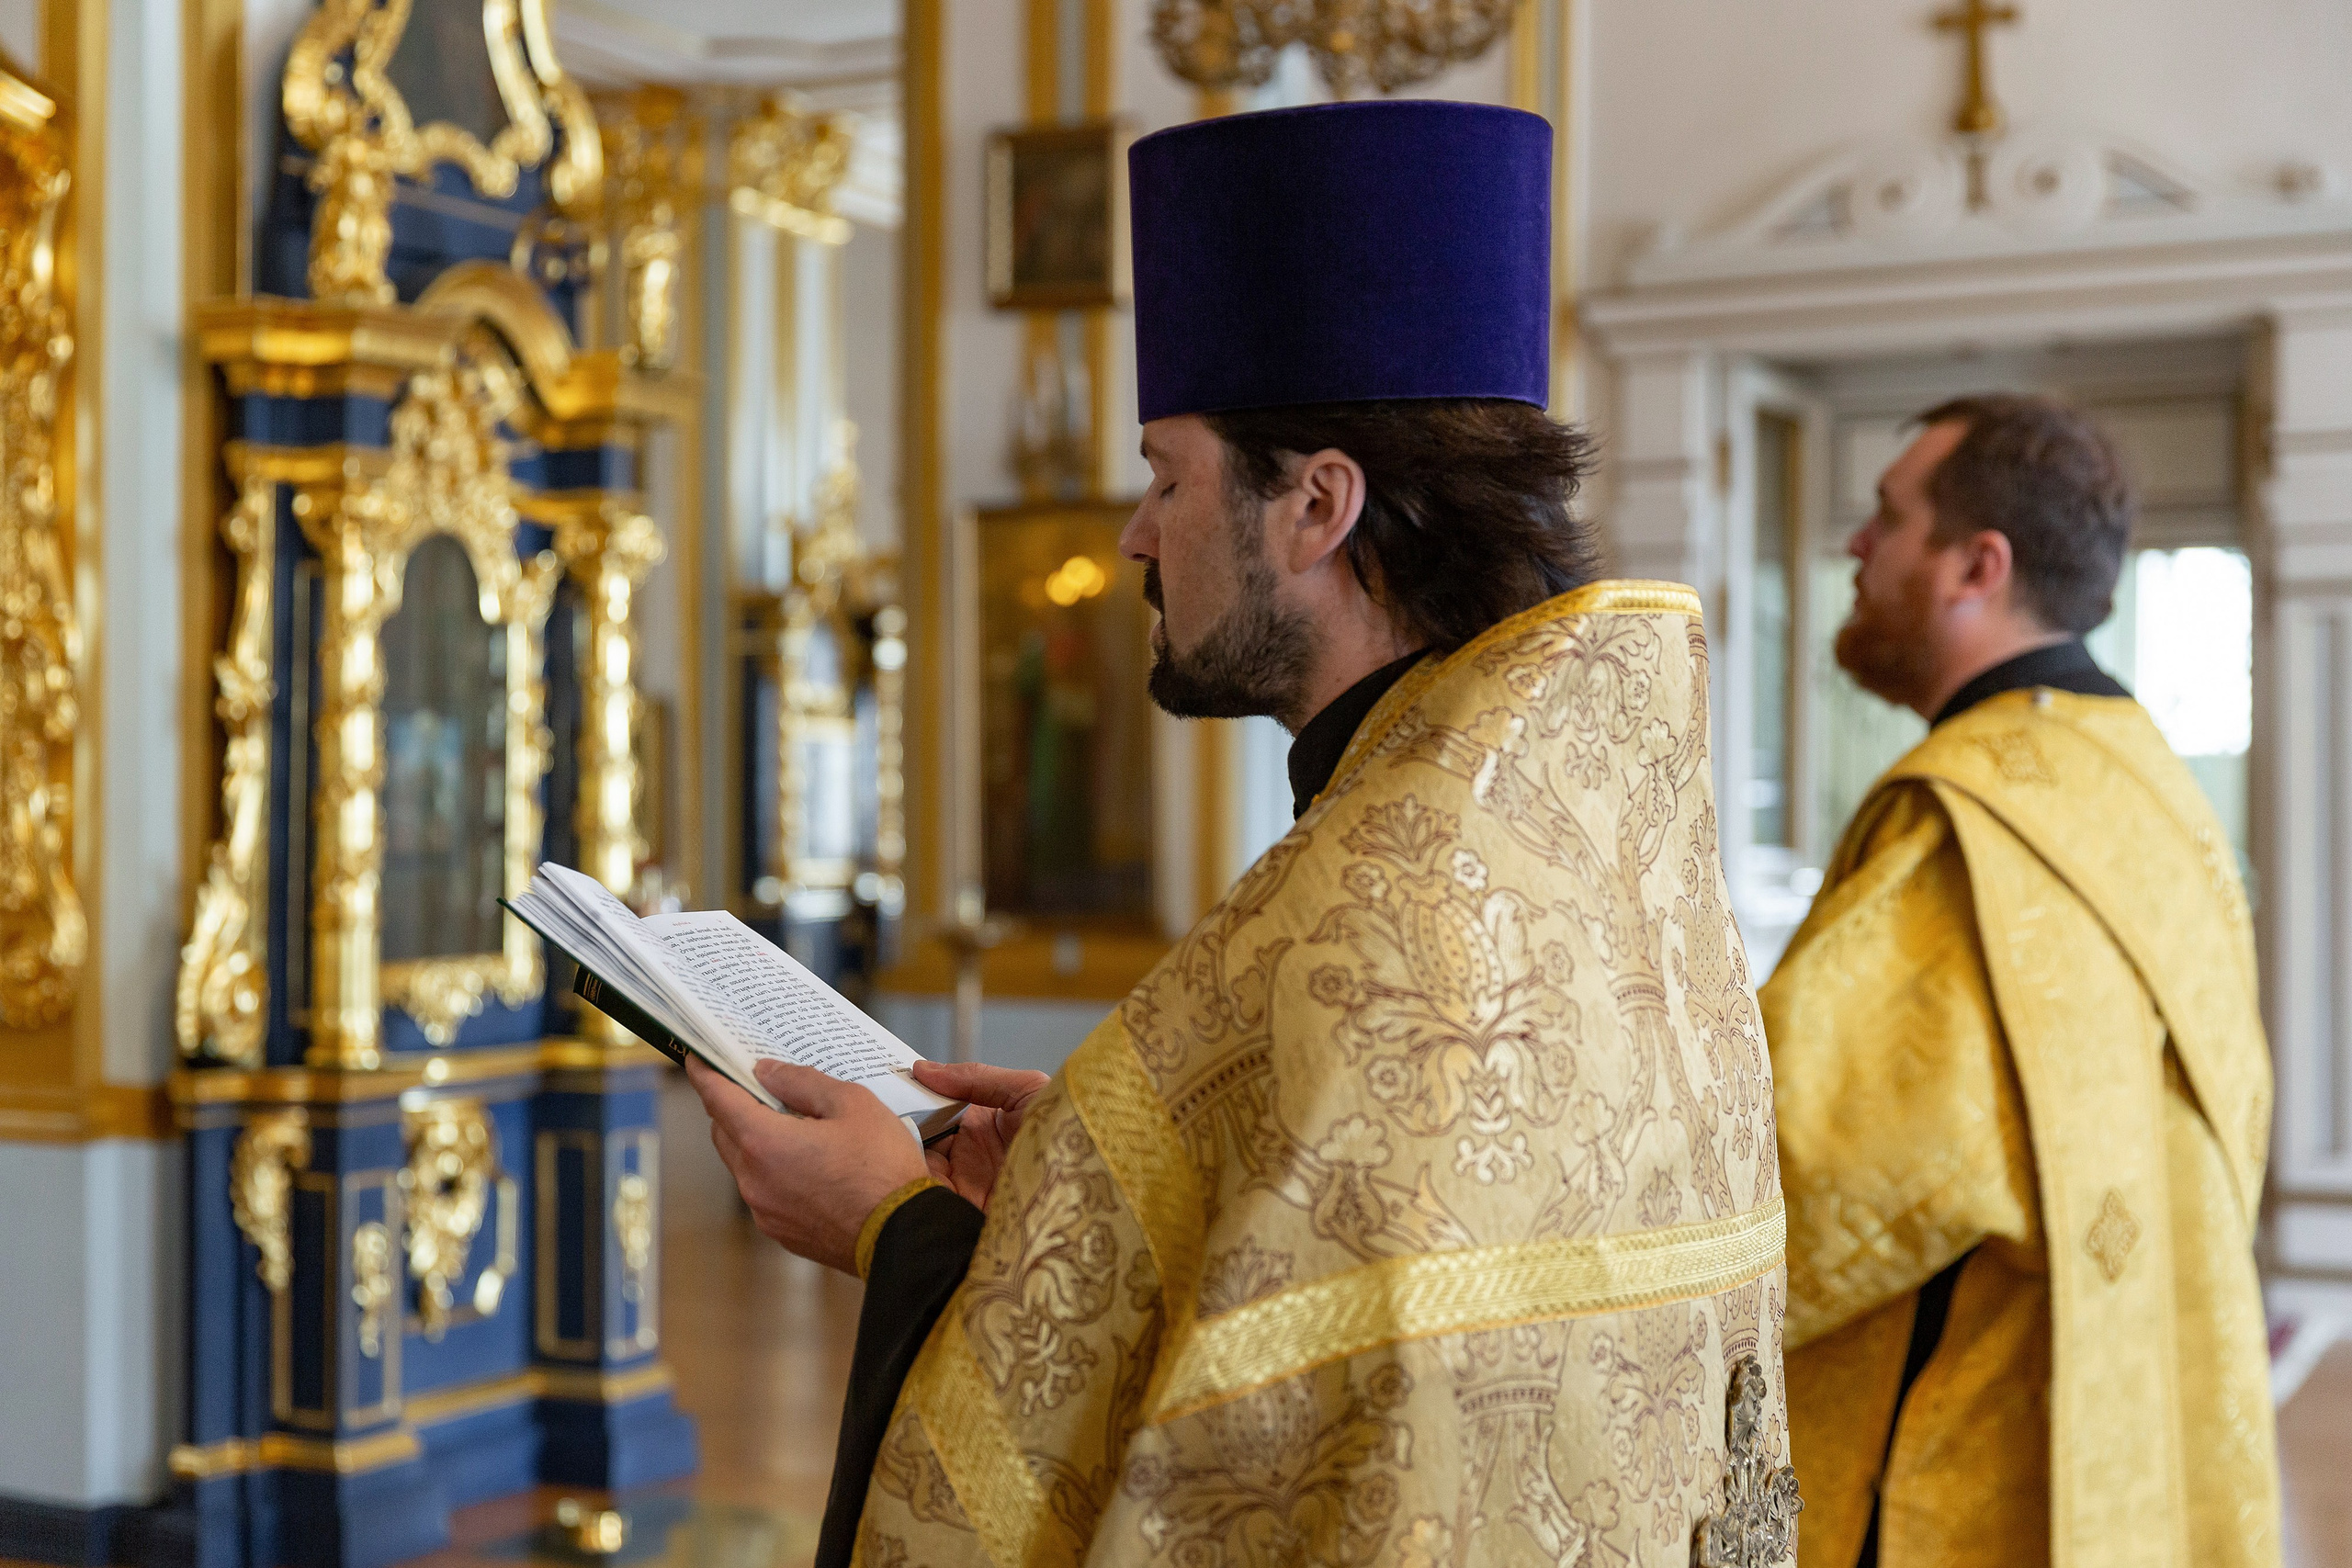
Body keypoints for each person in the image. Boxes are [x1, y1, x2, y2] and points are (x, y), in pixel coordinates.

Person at [690, 100, 1796, 1568]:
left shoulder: (1382, 898)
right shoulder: (1596, 848)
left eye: (1167, 475)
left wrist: (896, 1234)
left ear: (1316, 505)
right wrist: (1089, 1183)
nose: (1138, 535)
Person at [1760, 395, 2279, 1568]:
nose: (1854, 545)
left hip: (1977, 1444)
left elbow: (1811, 1158)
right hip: (2148, 1380)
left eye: (1888, 518)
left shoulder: (1969, 816)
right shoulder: (2143, 775)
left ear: (1974, 566)